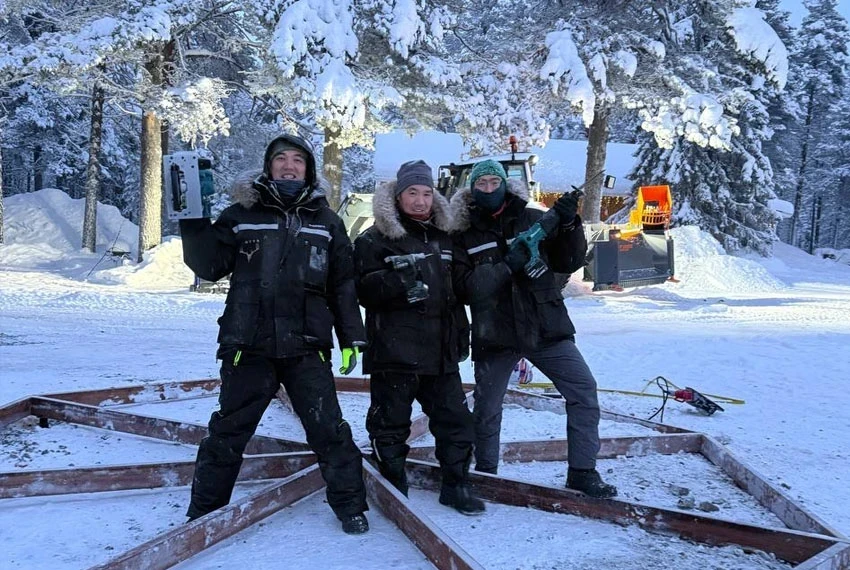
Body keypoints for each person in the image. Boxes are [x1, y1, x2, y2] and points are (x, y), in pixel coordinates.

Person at [179, 133, 370, 534]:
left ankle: (351, 507)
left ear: (308, 170)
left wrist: (352, 337)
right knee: (228, 432)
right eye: (281, 159)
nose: (289, 166)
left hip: (307, 346)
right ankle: (204, 513)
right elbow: (208, 266)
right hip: (248, 344)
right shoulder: (241, 214)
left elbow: (342, 285)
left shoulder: (327, 222)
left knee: (330, 430)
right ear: (269, 167)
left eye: (297, 160)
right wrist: (193, 219)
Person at [450, 159, 617, 498]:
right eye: (481, 183)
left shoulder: (533, 219)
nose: (488, 189)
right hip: (494, 332)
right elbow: (467, 289)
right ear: (471, 188)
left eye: (493, 182)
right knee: (486, 408)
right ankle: (486, 473)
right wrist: (506, 265)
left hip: (544, 325)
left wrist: (569, 223)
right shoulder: (462, 234)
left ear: (504, 184)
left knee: (583, 390)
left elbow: (569, 260)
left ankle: (583, 472)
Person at [353, 160, 485, 515]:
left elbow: (459, 290)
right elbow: (361, 290)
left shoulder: (445, 237)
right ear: (398, 196)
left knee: (456, 423)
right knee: (390, 425)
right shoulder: (375, 238)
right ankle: (393, 488)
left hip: (441, 352)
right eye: (412, 192)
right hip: (394, 352)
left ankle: (456, 485)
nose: (420, 200)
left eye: (427, 193)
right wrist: (398, 281)